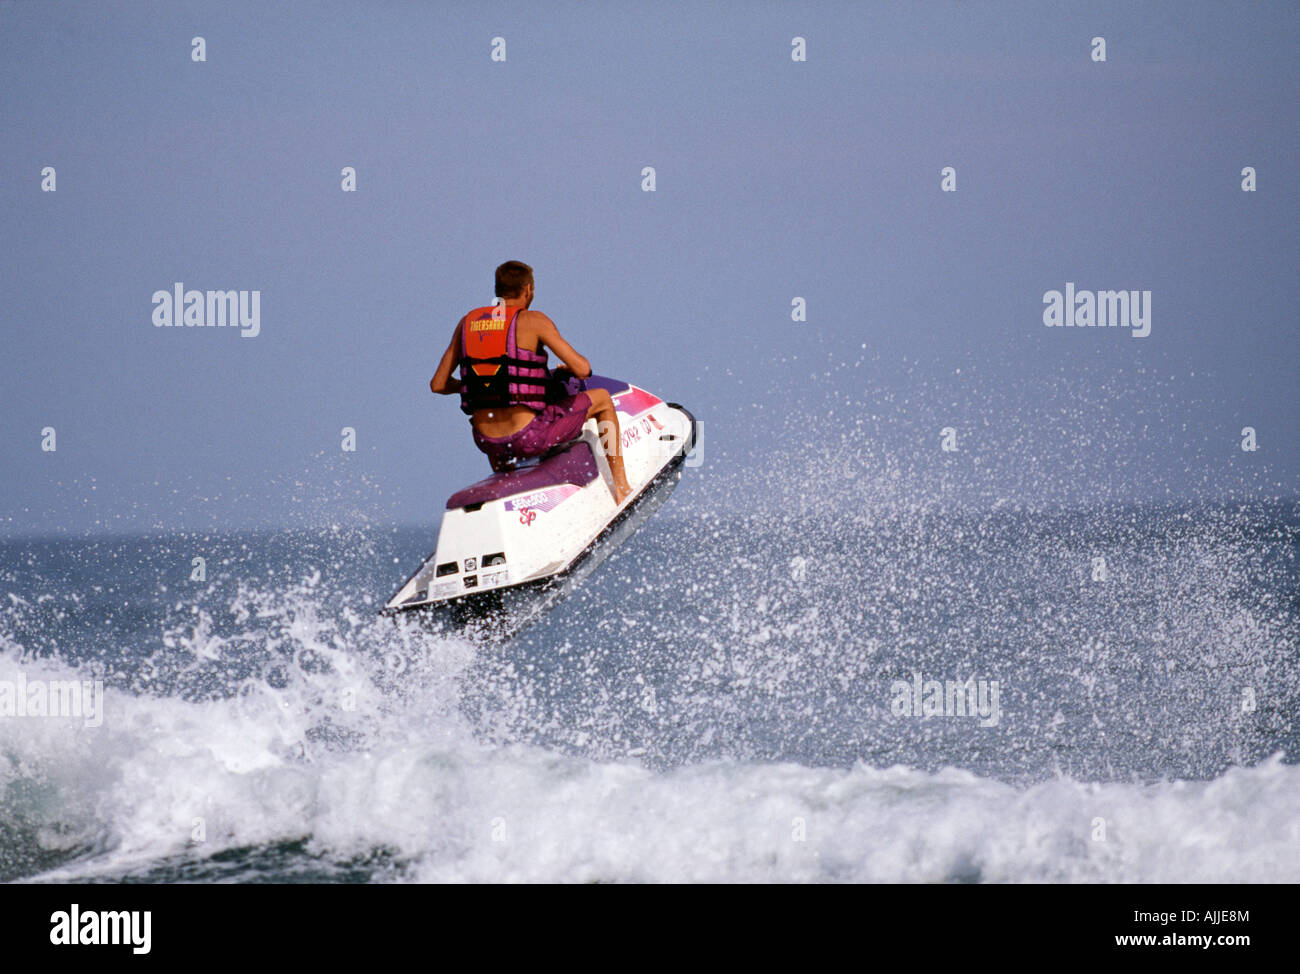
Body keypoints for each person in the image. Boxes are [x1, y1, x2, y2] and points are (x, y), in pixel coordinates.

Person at [429, 260, 632, 504]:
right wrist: (569, 369)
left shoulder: (467, 323)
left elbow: (438, 385)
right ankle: (622, 488)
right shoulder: (534, 321)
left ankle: (517, 497)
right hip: (528, 438)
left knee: (508, 424)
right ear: (528, 290)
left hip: (487, 441)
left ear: (498, 291)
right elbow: (582, 369)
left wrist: (472, 385)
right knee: (602, 400)